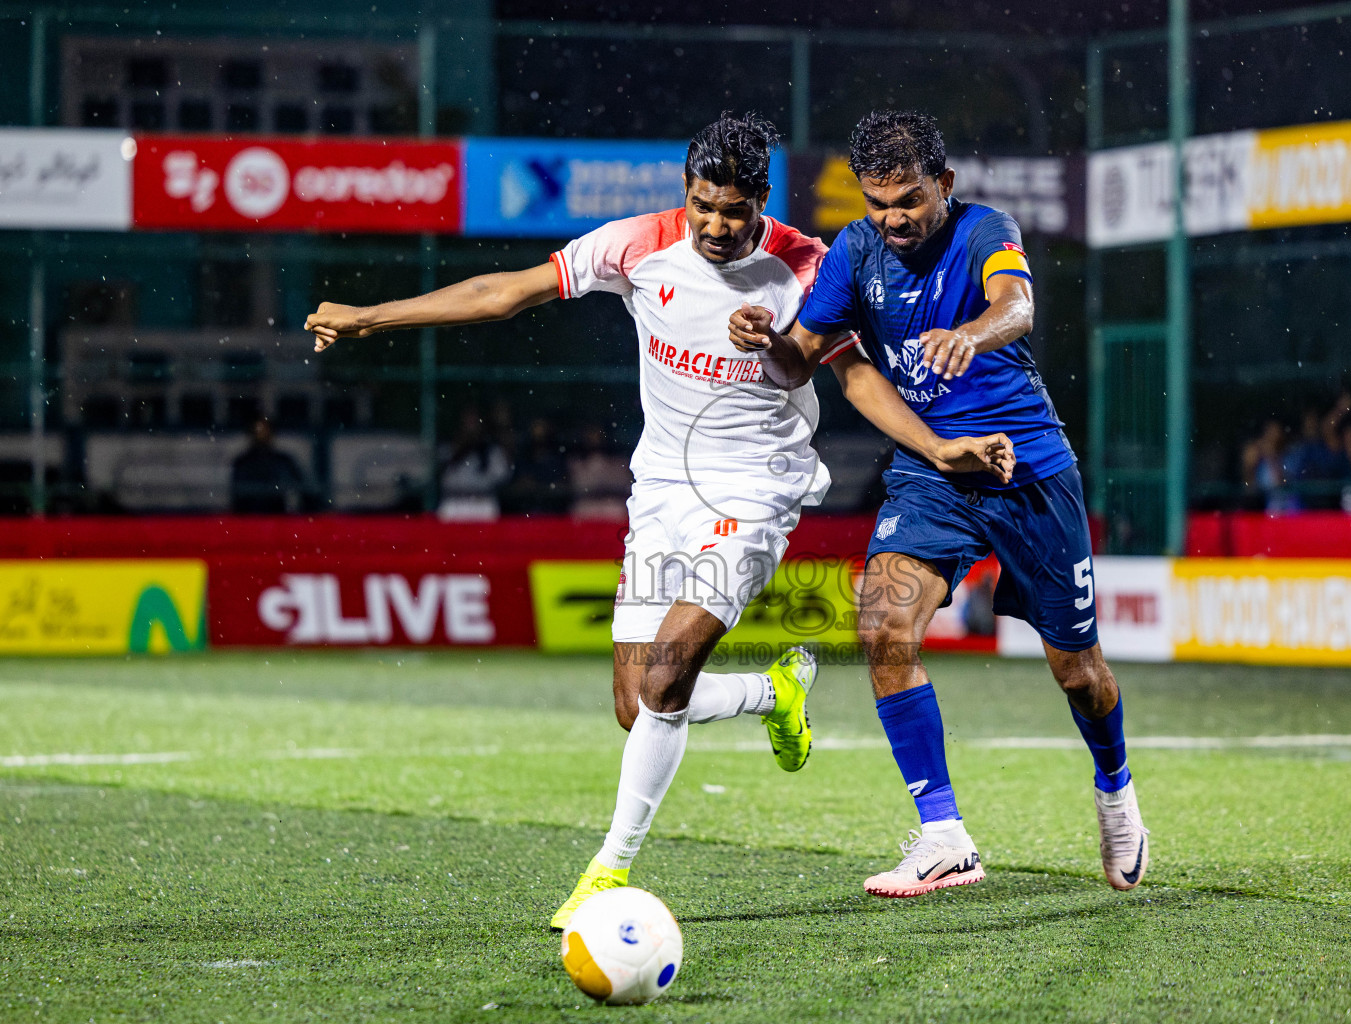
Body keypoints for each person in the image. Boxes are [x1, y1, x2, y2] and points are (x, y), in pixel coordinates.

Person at [303, 112, 1012, 927]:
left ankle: (609, 870)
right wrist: (370, 317)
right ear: (686, 191)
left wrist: (940, 447)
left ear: (762, 201)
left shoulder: (808, 267)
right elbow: (502, 294)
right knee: (636, 705)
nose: (716, 225)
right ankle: (770, 690)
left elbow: (856, 380)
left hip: (753, 491)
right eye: (703, 205)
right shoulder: (637, 243)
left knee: (668, 672)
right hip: (660, 494)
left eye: (734, 210)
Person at [728, 109, 1147, 896]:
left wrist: (975, 335)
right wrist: (767, 340)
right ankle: (945, 834)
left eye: (909, 200)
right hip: (933, 475)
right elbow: (801, 363)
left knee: (1079, 672)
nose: (892, 218)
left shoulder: (987, 228)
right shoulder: (855, 253)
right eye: (877, 201)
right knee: (881, 624)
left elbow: (1017, 306)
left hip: (1029, 474)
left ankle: (1115, 789)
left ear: (944, 185)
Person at [230, 417, 306, 513]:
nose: (261, 435)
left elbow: (299, 488)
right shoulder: (242, 462)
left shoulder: (283, 461)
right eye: (257, 431)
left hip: (278, 516)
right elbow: (238, 493)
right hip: (249, 516)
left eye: (265, 431)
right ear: (250, 434)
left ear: (271, 433)